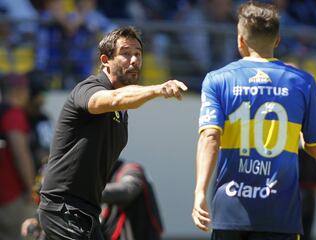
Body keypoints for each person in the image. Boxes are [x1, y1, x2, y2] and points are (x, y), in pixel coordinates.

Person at [192, 1, 316, 240]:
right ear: (277, 40)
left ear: (240, 40)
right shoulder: (303, 82)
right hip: (280, 214)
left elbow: (210, 137)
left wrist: (199, 192)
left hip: (229, 210)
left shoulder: (217, 79)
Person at [38, 26, 187, 239]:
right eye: (126, 53)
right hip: (63, 209)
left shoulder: (121, 109)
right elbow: (113, 98)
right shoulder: (88, 88)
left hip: (86, 211)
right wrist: (157, 89)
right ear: (106, 60)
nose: (134, 60)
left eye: (138, 54)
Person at [22, 159, 163, 240]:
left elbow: (127, 190)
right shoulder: (88, 178)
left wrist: (78, 192)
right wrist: (37, 220)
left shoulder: (130, 169)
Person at [0, 73, 36, 240]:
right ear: (21, 91)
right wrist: (31, 190)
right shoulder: (13, 114)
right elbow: (20, 154)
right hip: (12, 198)